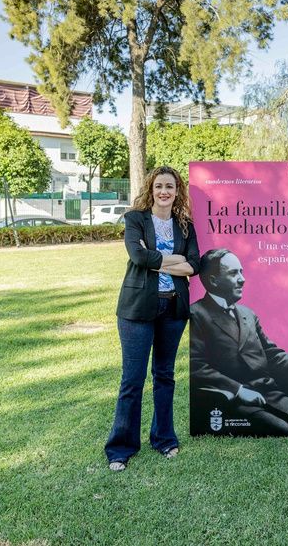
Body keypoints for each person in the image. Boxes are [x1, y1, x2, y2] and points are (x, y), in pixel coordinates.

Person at [104, 166, 200, 472]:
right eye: (159, 186)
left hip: (173, 308)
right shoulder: (135, 219)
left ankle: (164, 439)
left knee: (165, 376)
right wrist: (173, 260)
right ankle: (121, 447)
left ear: (177, 191)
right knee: (132, 380)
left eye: (169, 186)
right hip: (137, 309)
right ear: (151, 189)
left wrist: (156, 260)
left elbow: (194, 265)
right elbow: (138, 256)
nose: (164, 191)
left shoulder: (185, 226)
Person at [190, 249, 288, 436]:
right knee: (283, 431)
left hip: (268, 394)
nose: (242, 279)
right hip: (231, 400)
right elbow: (196, 366)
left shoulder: (247, 314)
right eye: (233, 273)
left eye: (241, 272)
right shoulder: (196, 314)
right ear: (214, 281)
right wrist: (238, 390)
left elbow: (271, 353)